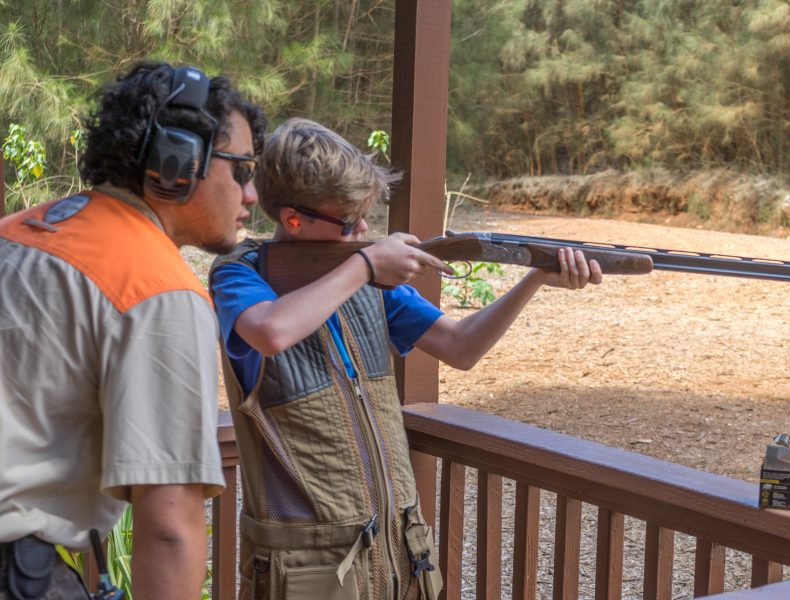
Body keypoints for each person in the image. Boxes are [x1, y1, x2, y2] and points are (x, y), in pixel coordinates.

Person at [209, 117, 602, 600]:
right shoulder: (240, 275)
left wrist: (534, 279)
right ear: (293, 220)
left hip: (400, 557)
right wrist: (366, 265)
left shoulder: (369, 285)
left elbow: (461, 347)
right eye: (351, 221)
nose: (366, 230)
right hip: (308, 574)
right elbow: (272, 331)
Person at [0, 61, 265, 599]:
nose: (252, 194)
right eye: (241, 169)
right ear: (178, 161)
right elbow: (169, 527)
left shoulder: (20, 230)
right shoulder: (156, 288)